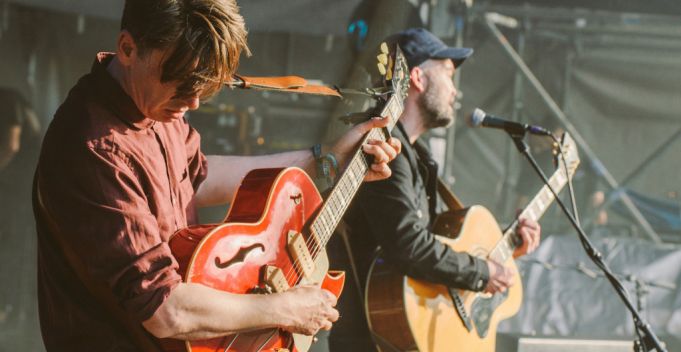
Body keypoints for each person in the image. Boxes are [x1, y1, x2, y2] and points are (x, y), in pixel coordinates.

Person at [32, 1, 401, 351]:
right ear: (128, 48)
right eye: (183, 81)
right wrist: (285, 309)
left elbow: (197, 179)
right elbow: (165, 310)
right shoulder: (92, 147)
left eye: (203, 85)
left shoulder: (159, 108)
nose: (193, 101)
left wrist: (327, 160)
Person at [327, 28, 542, 351]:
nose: (456, 92)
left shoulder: (413, 156)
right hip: (371, 339)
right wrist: (482, 272)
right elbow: (409, 245)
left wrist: (507, 246)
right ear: (417, 77)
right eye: (448, 74)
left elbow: (435, 240)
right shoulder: (383, 149)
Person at [0, 88, 42, 350]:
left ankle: (5, 308)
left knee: (10, 245)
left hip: (19, 188)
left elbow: (10, 144)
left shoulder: (7, 99)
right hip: (17, 186)